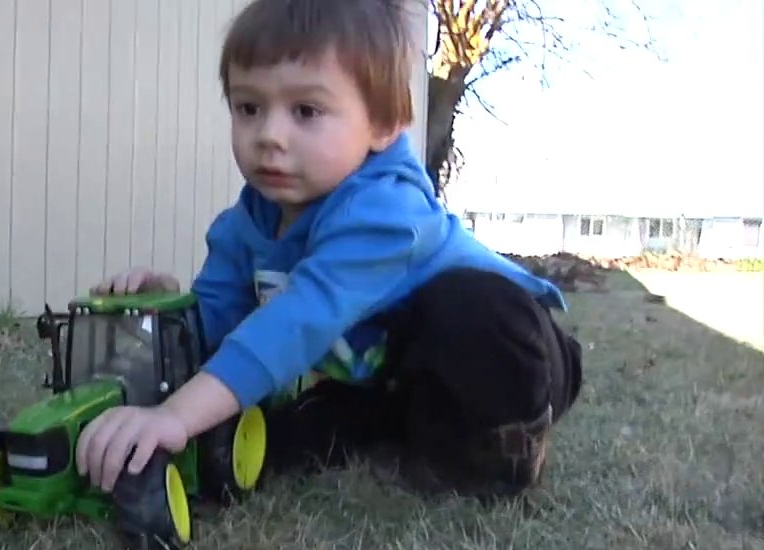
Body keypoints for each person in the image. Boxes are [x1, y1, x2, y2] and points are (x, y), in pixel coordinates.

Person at [73, 0, 584, 502]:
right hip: (392, 379)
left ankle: (502, 452)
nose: (269, 135)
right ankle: (404, 432)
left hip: (514, 358)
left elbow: (297, 322)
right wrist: (173, 315)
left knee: (473, 307)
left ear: (383, 124)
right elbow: (218, 324)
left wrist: (175, 417)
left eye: (306, 111)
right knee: (292, 435)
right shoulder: (244, 227)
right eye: (249, 108)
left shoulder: (387, 211)